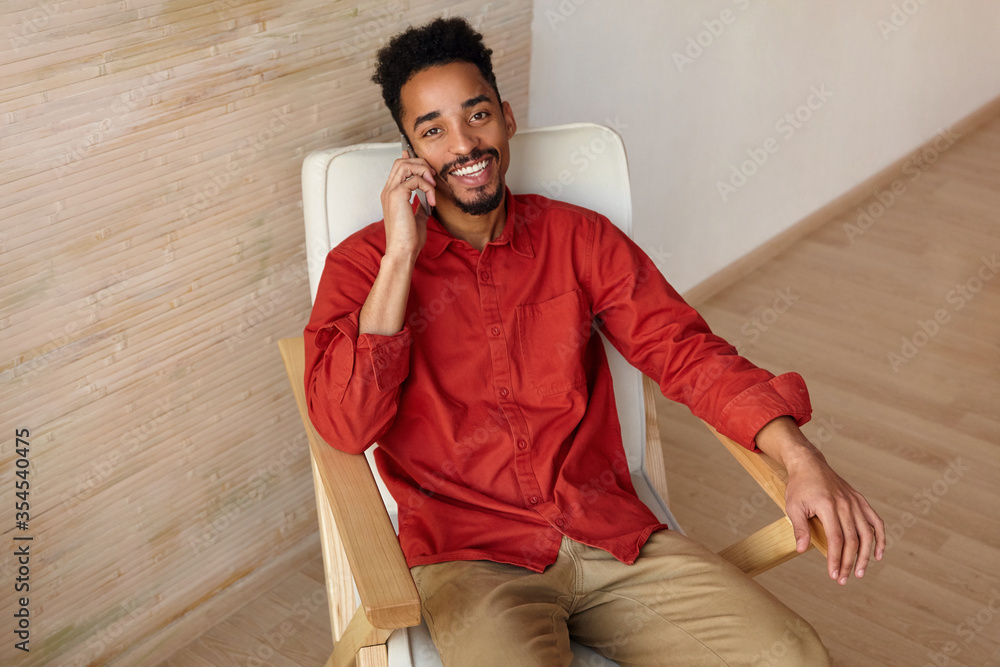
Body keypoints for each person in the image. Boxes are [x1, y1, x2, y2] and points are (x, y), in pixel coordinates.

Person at [303, 16, 885, 666]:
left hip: (609, 532)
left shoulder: (580, 238)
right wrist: (400, 260)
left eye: (477, 114)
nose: (464, 143)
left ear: (507, 117)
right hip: (472, 558)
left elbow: (684, 349)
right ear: (407, 151)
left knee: (794, 656)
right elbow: (344, 425)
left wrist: (800, 457)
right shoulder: (365, 266)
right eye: (433, 129)